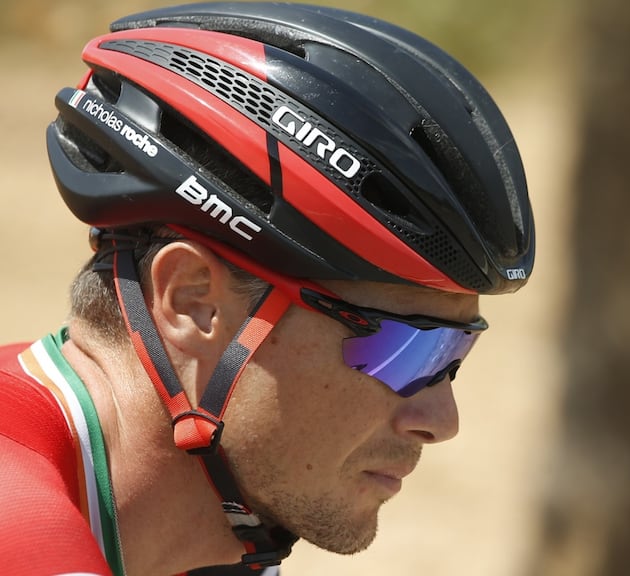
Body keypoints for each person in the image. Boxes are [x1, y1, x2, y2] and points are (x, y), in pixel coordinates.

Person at [0, 2, 534, 575]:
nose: (441, 420)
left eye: (454, 355)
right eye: (407, 349)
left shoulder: (222, 539)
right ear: (191, 300)